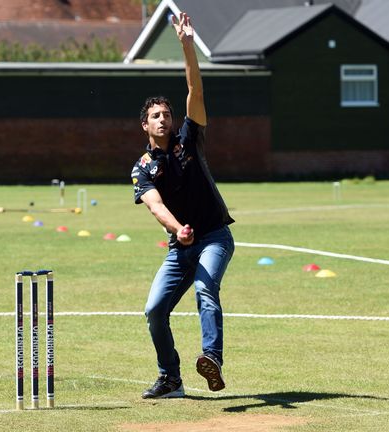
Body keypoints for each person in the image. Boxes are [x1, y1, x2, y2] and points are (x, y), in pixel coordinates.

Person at [131, 12, 235, 399]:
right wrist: (177, 229)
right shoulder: (142, 168)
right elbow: (155, 205)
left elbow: (196, 89)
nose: (164, 119)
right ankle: (170, 378)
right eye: (156, 116)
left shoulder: (188, 138)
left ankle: (212, 358)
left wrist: (187, 45)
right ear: (144, 125)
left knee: (206, 290)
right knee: (154, 311)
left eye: (167, 114)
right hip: (181, 247)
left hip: (213, 237)